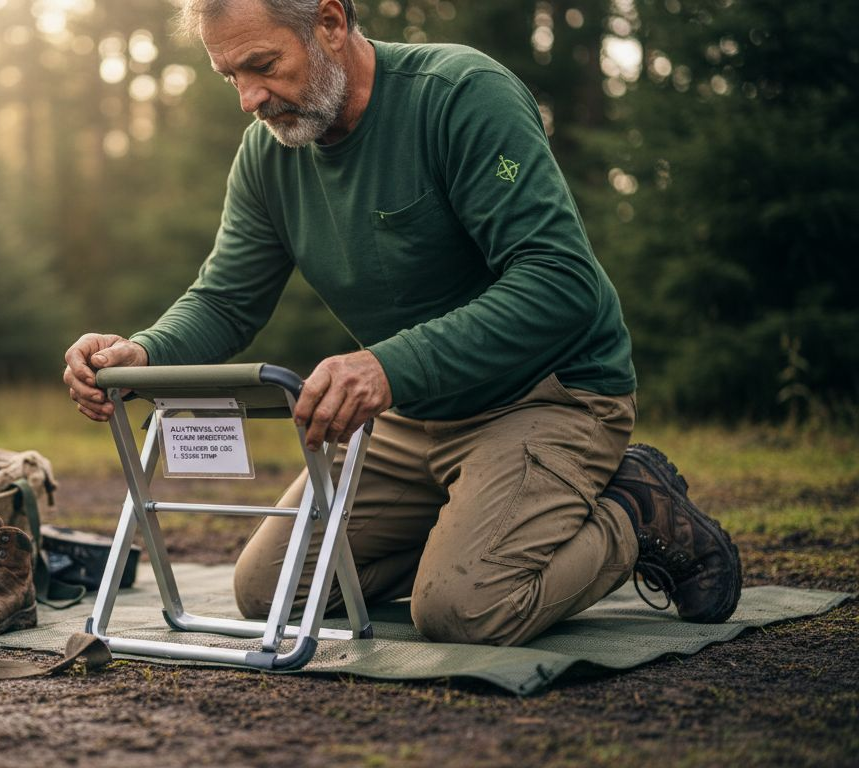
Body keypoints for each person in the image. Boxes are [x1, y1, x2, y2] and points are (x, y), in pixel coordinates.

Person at [62, 0, 741, 646]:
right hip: (411, 415)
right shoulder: (267, 157)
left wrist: (388, 366)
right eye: (230, 76)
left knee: (463, 608)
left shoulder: (459, 95)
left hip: (549, 395)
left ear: (330, 21)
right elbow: (225, 301)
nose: (248, 98)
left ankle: (636, 506)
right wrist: (143, 353)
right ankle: (472, 526)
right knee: (271, 592)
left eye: (262, 66)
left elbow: (560, 282)